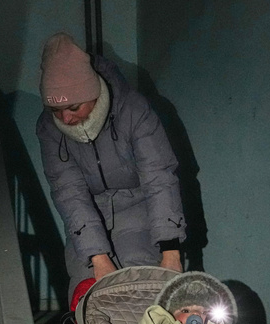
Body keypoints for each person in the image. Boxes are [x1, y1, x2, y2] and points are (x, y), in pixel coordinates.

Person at [36, 32, 186, 302]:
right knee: (88, 298)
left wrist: (171, 252)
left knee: (145, 294)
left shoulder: (133, 110)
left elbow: (159, 177)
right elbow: (69, 192)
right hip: (88, 217)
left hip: (141, 211)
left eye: (73, 107)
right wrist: (98, 257)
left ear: (92, 94)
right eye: (55, 110)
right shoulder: (49, 129)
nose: (65, 118)